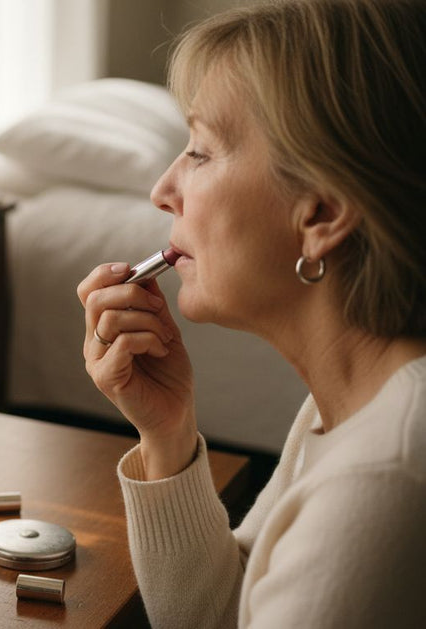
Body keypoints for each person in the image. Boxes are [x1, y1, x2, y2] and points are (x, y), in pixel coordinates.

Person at [77, 1, 426, 626]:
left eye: (201, 153)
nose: (162, 190)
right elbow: (227, 612)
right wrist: (168, 434)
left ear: (320, 215)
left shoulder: (382, 481)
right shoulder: (346, 404)